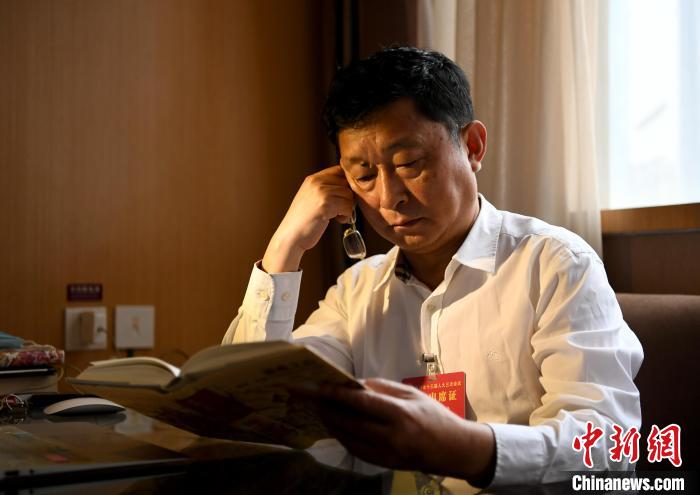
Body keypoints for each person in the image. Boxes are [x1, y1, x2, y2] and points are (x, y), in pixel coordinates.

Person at [223, 46, 643, 487]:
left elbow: (605, 442)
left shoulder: (554, 265)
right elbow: (253, 412)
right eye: (364, 176)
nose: (389, 198)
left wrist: (462, 448)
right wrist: (285, 247)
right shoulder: (357, 292)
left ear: (473, 146)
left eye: (409, 164)